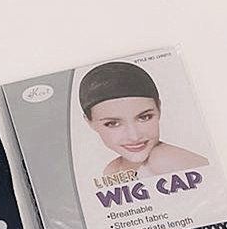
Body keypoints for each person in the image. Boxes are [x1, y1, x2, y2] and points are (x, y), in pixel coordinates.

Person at [78, 61, 208, 178]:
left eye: (144, 117)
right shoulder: (112, 170)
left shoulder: (163, 160)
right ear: (89, 122)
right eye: (113, 123)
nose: (134, 136)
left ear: (159, 108)